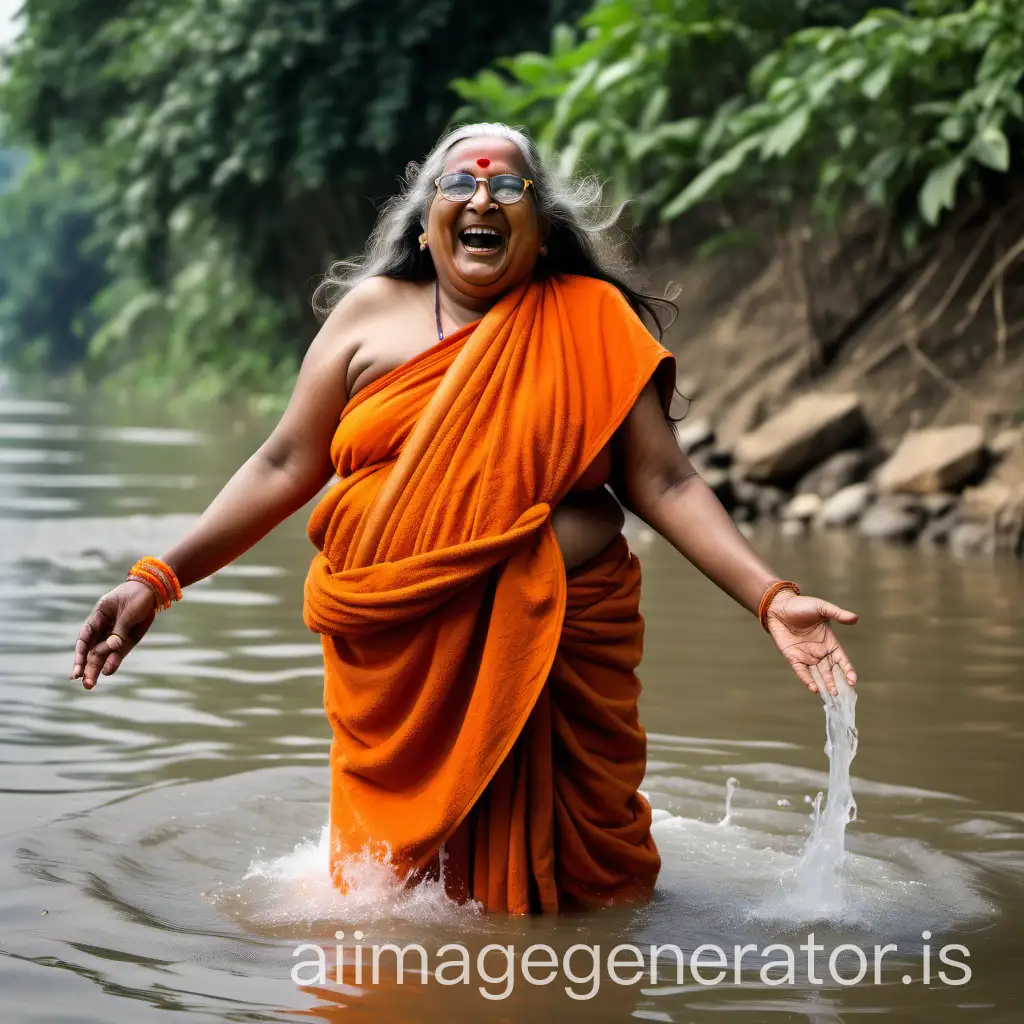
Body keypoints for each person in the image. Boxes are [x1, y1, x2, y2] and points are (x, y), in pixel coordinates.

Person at [70, 122, 858, 914]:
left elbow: (665, 481)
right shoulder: (368, 315)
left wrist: (770, 597)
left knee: (578, 907)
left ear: (541, 229)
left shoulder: (590, 319)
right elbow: (282, 464)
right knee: (381, 904)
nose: (483, 196)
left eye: (509, 187)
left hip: (550, 653)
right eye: (461, 184)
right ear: (425, 222)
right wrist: (159, 577)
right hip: (396, 654)